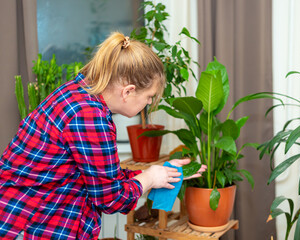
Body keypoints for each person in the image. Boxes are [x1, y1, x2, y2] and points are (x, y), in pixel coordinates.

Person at [0, 32, 205, 240]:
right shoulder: (89, 116)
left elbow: (103, 178)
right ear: (128, 91)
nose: (148, 104)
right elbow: (111, 198)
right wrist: (150, 178)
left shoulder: (77, 93)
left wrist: (163, 173)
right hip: (27, 224)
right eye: (149, 97)